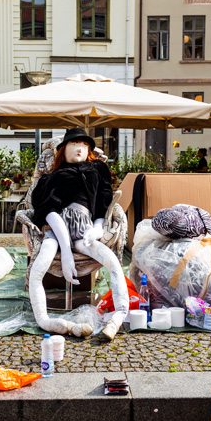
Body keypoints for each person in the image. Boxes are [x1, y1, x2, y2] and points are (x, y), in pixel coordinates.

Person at [29, 128, 129, 340]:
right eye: (74, 144)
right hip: (57, 228)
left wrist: (98, 227)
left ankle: (118, 316)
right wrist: (65, 249)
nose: (80, 148)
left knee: (113, 262)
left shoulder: (96, 169)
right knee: (39, 267)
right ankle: (46, 321)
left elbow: (104, 201)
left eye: (84, 146)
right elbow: (46, 210)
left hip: (86, 229)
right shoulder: (52, 177)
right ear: (63, 150)